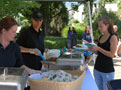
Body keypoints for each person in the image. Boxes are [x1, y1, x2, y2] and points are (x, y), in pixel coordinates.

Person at [90, 16, 118, 90]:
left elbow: (111, 54)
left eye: (101, 26)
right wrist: (93, 50)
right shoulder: (100, 37)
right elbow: (99, 53)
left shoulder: (113, 37)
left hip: (107, 71)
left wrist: (99, 48)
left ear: (107, 25)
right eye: (99, 26)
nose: (99, 28)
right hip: (97, 68)